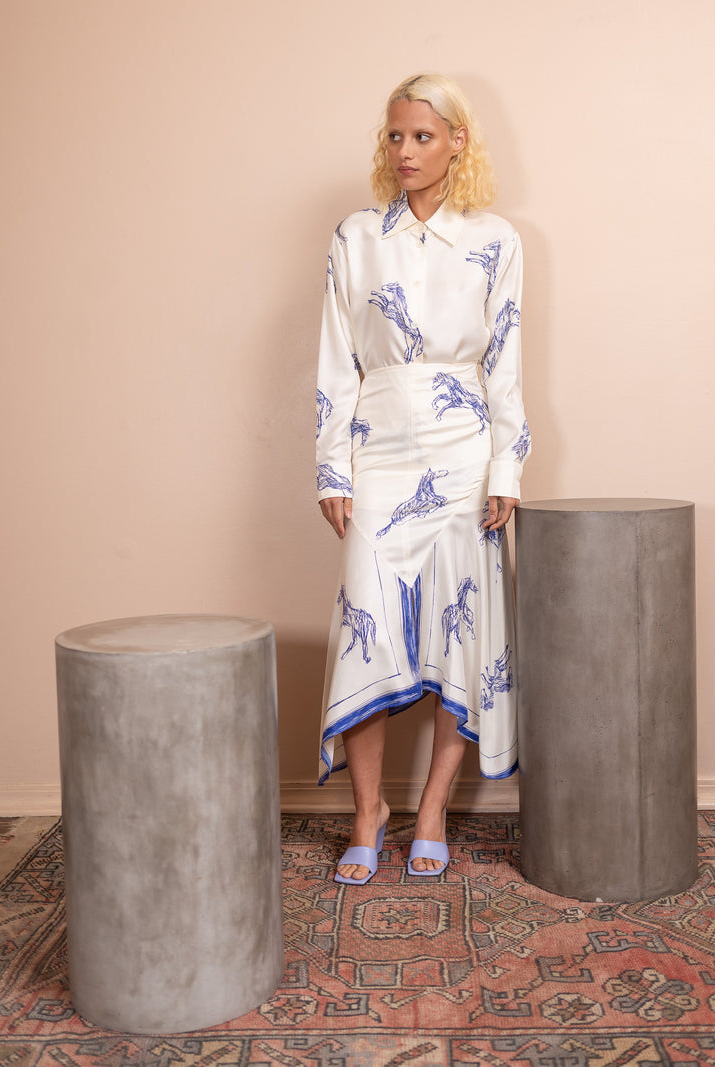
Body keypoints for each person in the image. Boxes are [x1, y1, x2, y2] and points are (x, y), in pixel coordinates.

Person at [315, 73, 530, 884]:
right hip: (378, 444)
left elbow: (505, 362)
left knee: (460, 626)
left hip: (463, 449)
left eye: (423, 136)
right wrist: (332, 466)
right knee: (365, 620)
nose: (405, 150)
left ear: (457, 143)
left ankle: (433, 808)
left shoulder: (496, 240)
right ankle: (368, 811)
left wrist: (506, 465)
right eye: (396, 136)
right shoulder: (355, 237)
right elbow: (336, 359)